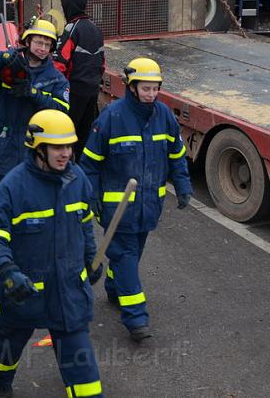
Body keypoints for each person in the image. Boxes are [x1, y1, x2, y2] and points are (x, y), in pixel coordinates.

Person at [0, 109, 103, 398]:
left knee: (86, 381)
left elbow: (84, 224)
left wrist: (90, 259)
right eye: (57, 147)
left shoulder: (77, 179)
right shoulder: (12, 188)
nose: (66, 154)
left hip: (67, 294)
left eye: (69, 146)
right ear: (38, 148)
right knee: (6, 351)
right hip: (22, 295)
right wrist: (7, 272)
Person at [80, 57, 192, 342]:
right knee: (127, 258)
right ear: (131, 87)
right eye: (146, 89)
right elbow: (90, 163)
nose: (151, 94)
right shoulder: (111, 117)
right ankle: (136, 318)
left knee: (132, 256)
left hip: (148, 208)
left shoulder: (164, 115)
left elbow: (176, 154)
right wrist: (90, 196)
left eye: (155, 89)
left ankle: (115, 289)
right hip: (118, 211)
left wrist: (182, 185)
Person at [0, 19, 70, 190]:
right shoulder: (9, 67)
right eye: (39, 42)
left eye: (47, 45)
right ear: (27, 41)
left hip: (35, 150)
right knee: (2, 200)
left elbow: (62, 111)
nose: (42, 48)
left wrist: (34, 94)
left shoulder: (56, 78)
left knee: (32, 202)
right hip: (5, 145)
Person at [53, 0, 105, 161]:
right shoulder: (95, 28)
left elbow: (60, 62)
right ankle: (84, 169)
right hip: (92, 89)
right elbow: (102, 62)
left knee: (68, 131)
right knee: (86, 132)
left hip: (74, 91)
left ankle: (67, 167)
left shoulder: (71, 28)